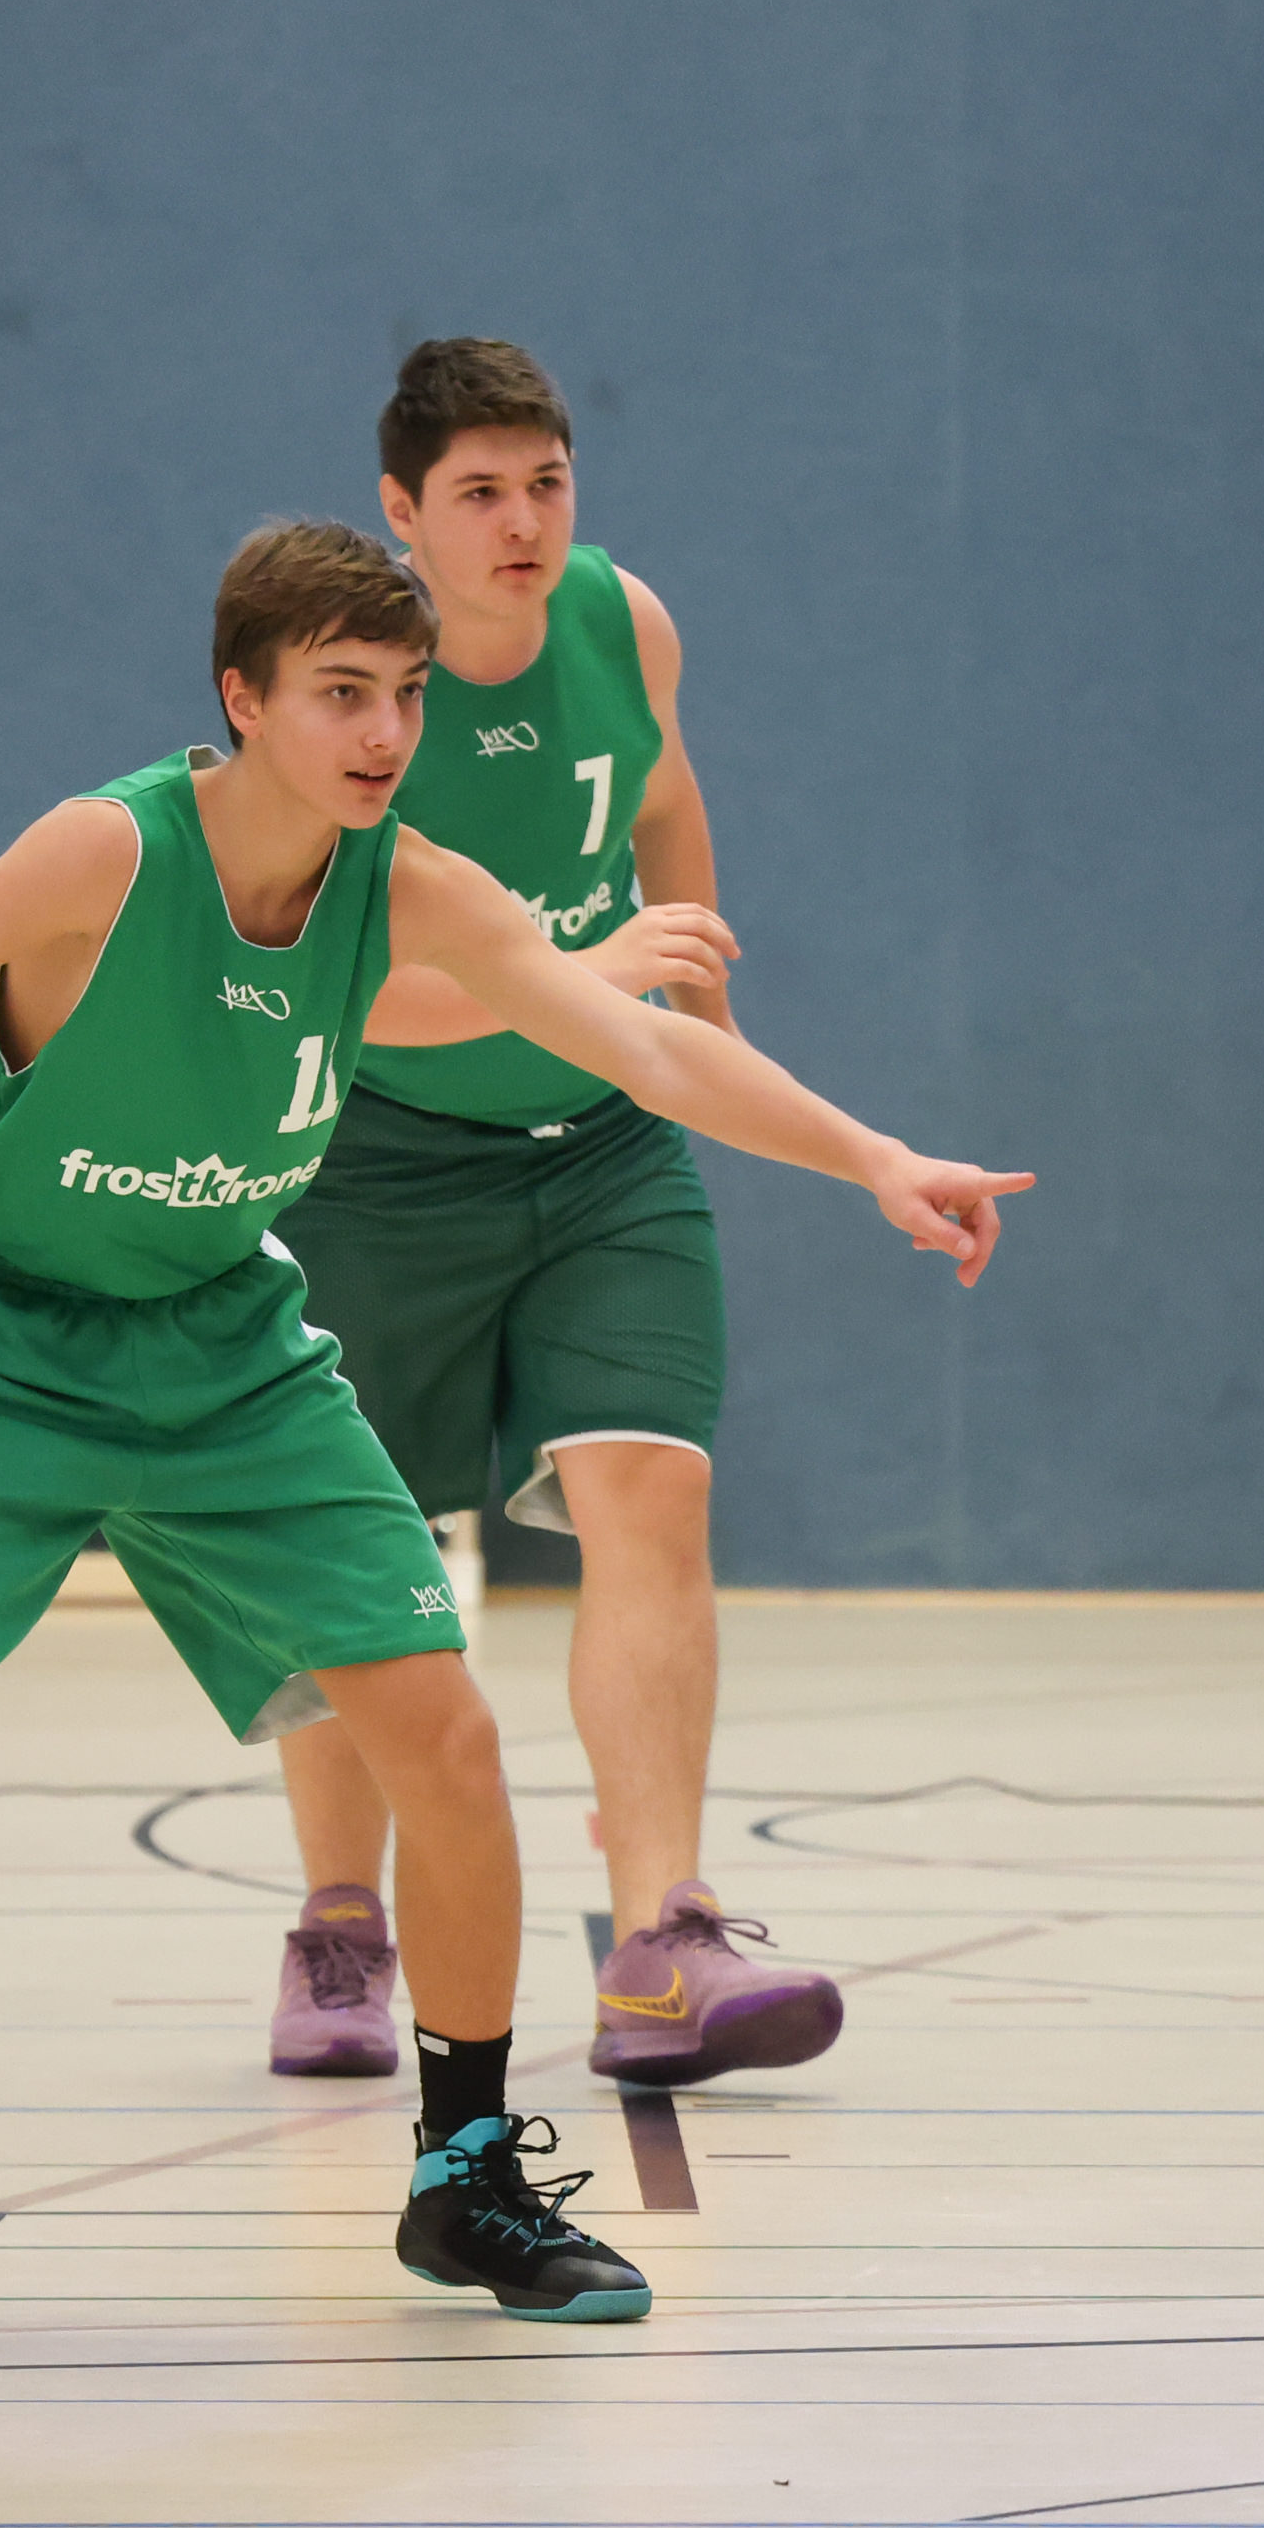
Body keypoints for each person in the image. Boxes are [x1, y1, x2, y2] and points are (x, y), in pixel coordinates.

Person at [0, 520, 1024, 2351]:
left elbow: (651, 1051)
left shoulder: (410, 886)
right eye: (341, 694)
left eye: (405, 697)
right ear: (243, 697)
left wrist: (874, 1157)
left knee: (444, 1731)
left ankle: (463, 2171)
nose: (382, 734)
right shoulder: (107, 851)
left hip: (223, 1345)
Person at [263, 340, 849, 2090]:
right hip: (376, 1158)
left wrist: (699, 1027)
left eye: (546, 484)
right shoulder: (367, 694)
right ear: (401, 512)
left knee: (650, 1490)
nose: (521, 524)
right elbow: (352, 991)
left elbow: (659, 794)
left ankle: (663, 1936)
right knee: (359, 1545)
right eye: (478, 494)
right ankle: (337, 1921)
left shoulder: (622, 622)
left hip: (600, 1146)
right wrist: (587, 973)